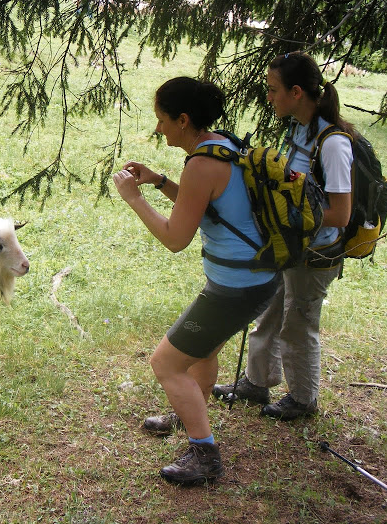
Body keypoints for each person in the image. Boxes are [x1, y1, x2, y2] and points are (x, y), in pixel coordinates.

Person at [112, 76, 280, 485]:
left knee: (166, 363)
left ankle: (205, 455)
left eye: (162, 119)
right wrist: (159, 181)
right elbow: (209, 206)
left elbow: (175, 238)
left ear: (183, 120)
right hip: (256, 278)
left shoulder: (202, 165)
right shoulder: (222, 144)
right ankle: (189, 413)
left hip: (237, 288)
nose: (159, 129)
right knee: (202, 352)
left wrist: (135, 199)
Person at [212, 51, 353, 420]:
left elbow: (340, 213)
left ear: (296, 92)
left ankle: (304, 400)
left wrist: (289, 220)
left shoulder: (333, 143)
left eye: (273, 90)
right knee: (272, 312)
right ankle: (256, 382)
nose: (269, 97)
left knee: (298, 324)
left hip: (316, 254)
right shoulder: (300, 130)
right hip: (291, 246)